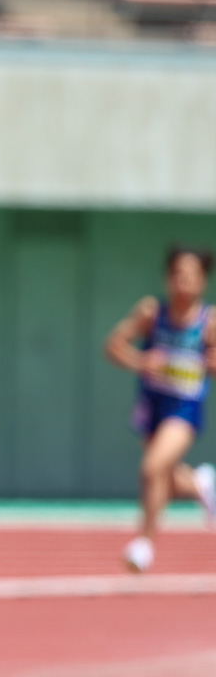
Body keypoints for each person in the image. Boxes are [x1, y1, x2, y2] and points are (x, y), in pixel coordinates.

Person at [105, 244, 216, 572]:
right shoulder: (152, 313)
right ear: (168, 277)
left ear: (203, 281)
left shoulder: (209, 321)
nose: (184, 281)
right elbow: (113, 346)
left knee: (152, 468)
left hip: (185, 408)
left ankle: (144, 543)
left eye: (192, 275)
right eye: (178, 274)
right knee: (163, 478)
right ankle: (201, 484)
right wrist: (141, 361)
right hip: (152, 404)